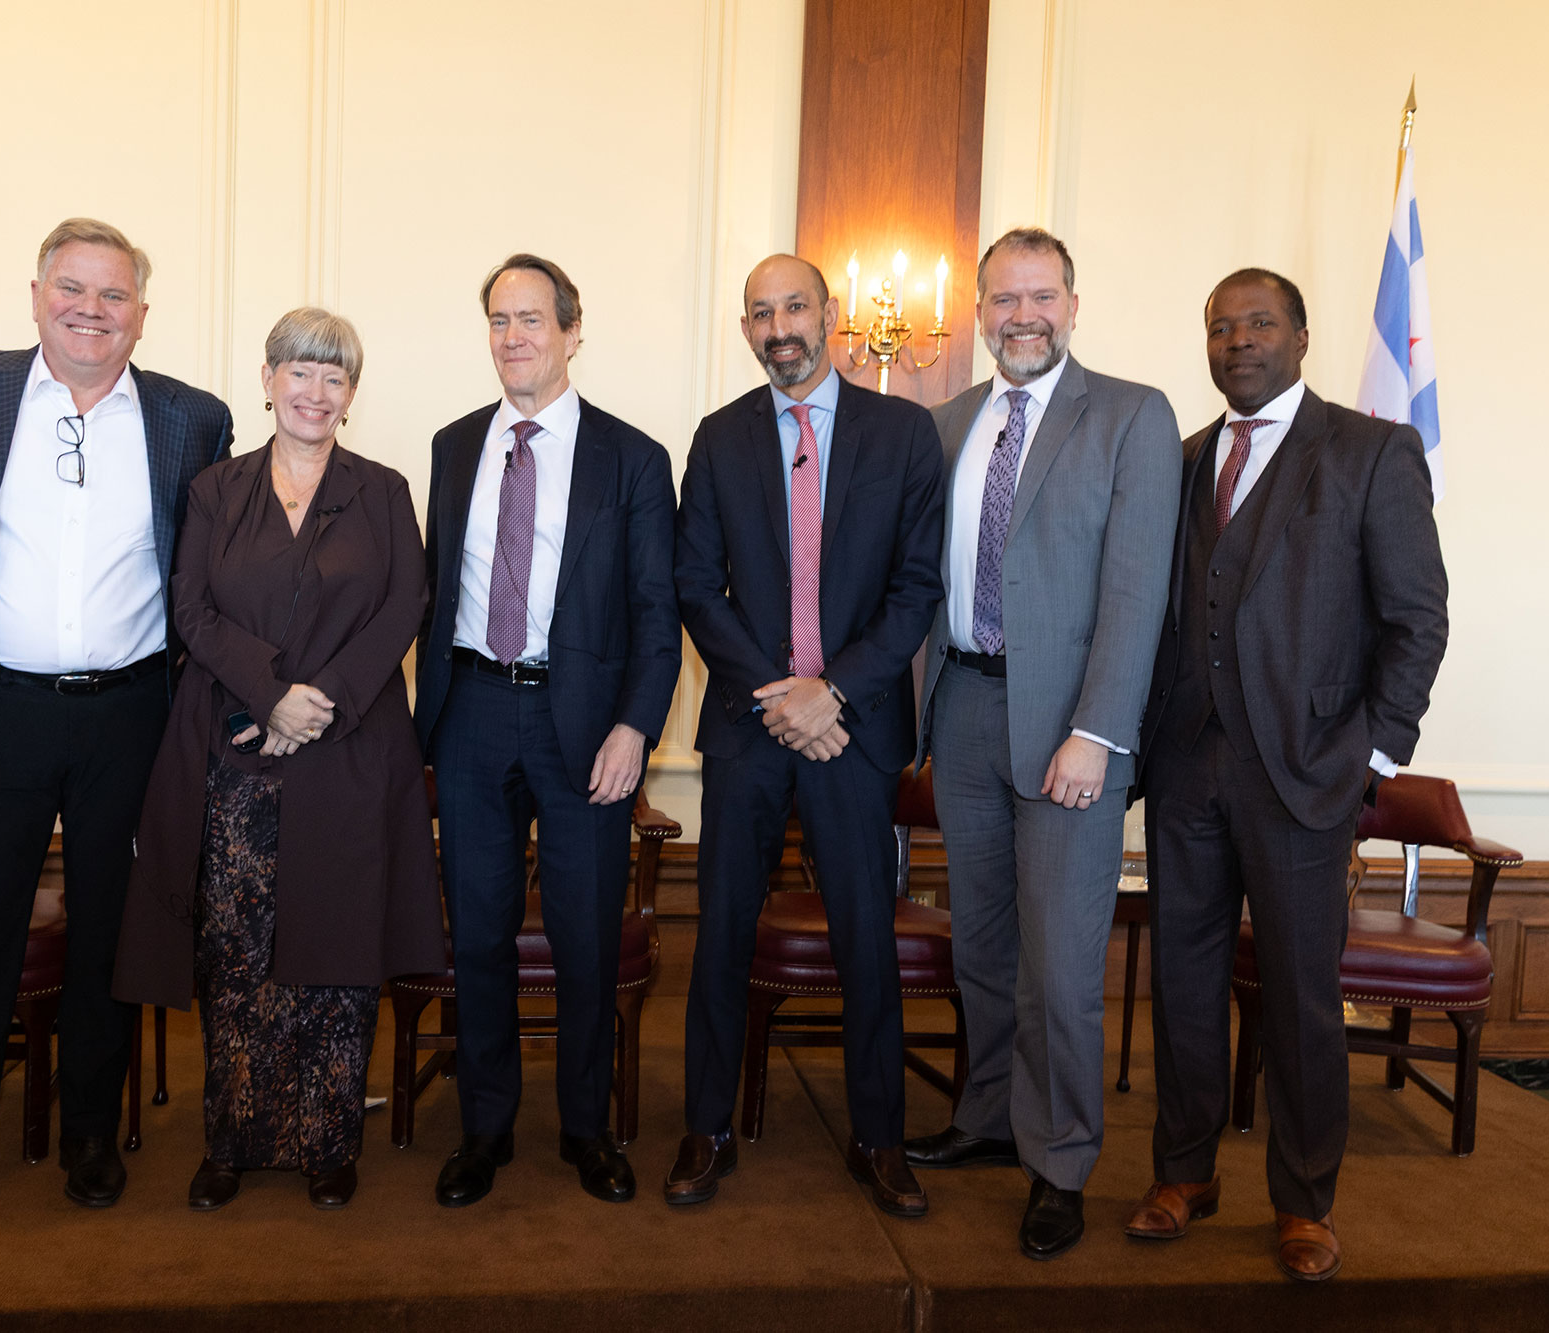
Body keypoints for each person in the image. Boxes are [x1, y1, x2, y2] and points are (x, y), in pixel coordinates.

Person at [0, 218, 233, 1230]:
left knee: (112, 933)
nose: (89, 310)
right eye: (72, 288)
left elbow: (215, 570)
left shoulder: (193, 419)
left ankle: (90, 1132)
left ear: (141, 316)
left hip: (134, 715)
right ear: (35, 296)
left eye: (113, 296)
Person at [1125, 268, 1448, 1282]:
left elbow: (1416, 618)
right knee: (1182, 982)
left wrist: (1373, 754)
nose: (1238, 341)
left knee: (1302, 997)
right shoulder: (1181, 461)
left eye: (1259, 322)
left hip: (1306, 775)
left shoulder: (1370, 451)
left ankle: (1304, 1199)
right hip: (1186, 765)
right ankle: (1184, 1171)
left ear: (1301, 337)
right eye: (1220, 327)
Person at [113, 307, 446, 1210]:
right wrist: (271, 696)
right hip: (234, 748)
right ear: (267, 381)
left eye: (334, 376)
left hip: (349, 748)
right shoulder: (215, 490)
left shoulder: (383, 491)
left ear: (351, 394)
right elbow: (191, 607)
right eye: (299, 371)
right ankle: (232, 1142)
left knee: (338, 949)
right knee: (237, 953)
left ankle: (329, 1145)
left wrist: (317, 700)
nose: (315, 391)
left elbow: (405, 605)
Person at [902, 227, 1182, 1258]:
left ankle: (1060, 1160)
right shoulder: (944, 425)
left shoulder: (1131, 416)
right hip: (964, 711)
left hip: (1070, 729)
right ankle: (988, 1118)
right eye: (1003, 298)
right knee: (980, 946)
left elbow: (1137, 592)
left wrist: (1096, 732)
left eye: (1041, 296)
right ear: (978, 313)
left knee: (1059, 967)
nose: (1022, 315)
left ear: (1071, 304)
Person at [669, 254, 945, 1217]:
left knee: (868, 937)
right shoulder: (719, 438)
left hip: (853, 731)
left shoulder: (902, 433)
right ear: (745, 327)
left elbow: (917, 585)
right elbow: (696, 584)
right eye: (760, 311)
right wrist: (781, 697)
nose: (778, 325)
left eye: (794, 306)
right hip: (750, 728)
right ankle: (705, 1129)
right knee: (720, 934)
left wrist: (833, 695)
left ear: (830, 315)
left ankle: (880, 1137)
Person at [412, 254, 680, 1208]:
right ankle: (484, 1127)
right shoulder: (453, 446)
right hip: (472, 715)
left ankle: (585, 1127)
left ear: (572, 330)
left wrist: (635, 727)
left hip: (585, 727)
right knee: (477, 934)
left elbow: (657, 614)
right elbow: (431, 589)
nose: (513, 336)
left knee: (585, 938)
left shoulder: (632, 457)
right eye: (499, 319)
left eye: (532, 319)